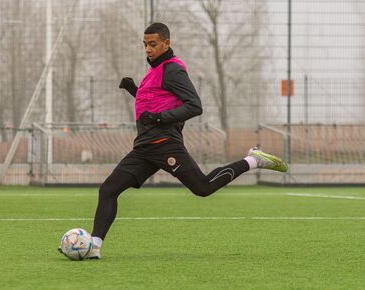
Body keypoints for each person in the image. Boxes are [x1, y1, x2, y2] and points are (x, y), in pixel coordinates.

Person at [81, 22, 287, 259]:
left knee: (203, 188)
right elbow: (155, 104)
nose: (147, 49)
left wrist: (159, 118)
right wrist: (134, 90)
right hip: (144, 149)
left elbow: (194, 106)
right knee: (108, 189)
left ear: (166, 43)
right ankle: (93, 247)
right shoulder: (154, 70)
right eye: (145, 44)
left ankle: (253, 160)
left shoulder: (173, 70)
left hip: (166, 144)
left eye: (153, 44)